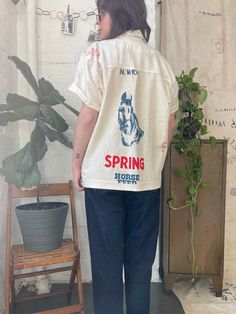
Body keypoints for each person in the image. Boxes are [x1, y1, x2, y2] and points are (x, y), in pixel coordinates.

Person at [69, 0, 179, 313]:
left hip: (103, 178)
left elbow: (88, 116)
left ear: (116, 13)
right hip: (145, 180)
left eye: (100, 14)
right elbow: (169, 121)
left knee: (105, 267)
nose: (98, 23)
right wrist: (153, 157)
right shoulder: (160, 62)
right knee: (140, 269)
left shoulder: (97, 55)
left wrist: (77, 162)